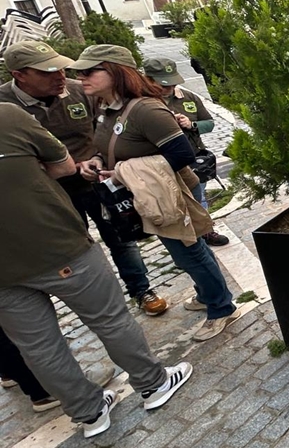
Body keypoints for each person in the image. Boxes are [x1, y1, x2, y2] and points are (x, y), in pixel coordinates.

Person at [0, 104, 193, 438]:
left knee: (39, 347)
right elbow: (62, 166)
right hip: (57, 245)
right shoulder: (7, 115)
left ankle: (89, 414)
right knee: (109, 318)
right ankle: (154, 384)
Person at [69, 45, 241, 341]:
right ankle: (208, 294)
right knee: (187, 251)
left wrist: (123, 173)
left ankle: (221, 307)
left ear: (115, 71)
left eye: (89, 71)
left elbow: (181, 154)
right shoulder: (107, 107)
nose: (80, 77)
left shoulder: (146, 109)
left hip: (169, 192)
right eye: (79, 71)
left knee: (190, 252)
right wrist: (97, 161)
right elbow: (106, 146)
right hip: (148, 192)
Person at [0, 41, 168, 317]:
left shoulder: (81, 93)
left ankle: (141, 290)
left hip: (95, 182)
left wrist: (97, 160)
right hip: (47, 194)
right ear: (19, 75)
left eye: (61, 68)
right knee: (70, 251)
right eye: (47, 72)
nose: (60, 76)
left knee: (121, 238)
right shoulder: (4, 106)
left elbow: (105, 131)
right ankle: (90, 305)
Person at [142, 57, 229, 247]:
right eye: (163, 84)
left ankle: (205, 231)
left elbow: (210, 123)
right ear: (148, 80)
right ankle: (184, 239)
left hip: (192, 158)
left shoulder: (188, 97)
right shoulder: (142, 103)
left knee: (199, 198)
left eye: (171, 83)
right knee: (173, 204)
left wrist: (191, 124)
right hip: (161, 163)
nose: (168, 88)